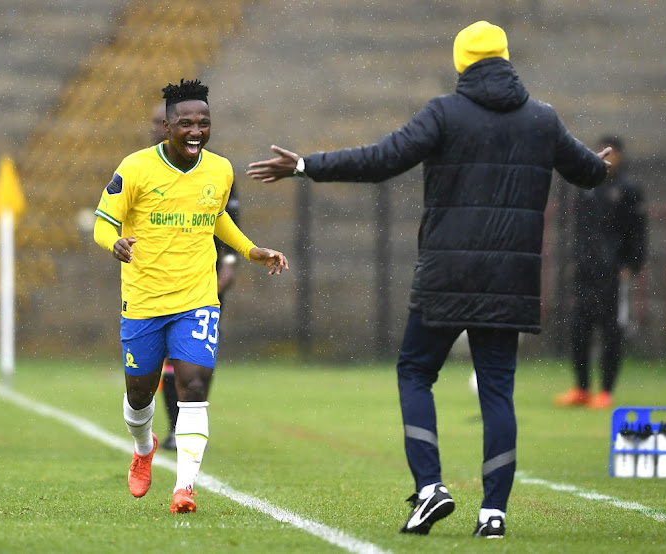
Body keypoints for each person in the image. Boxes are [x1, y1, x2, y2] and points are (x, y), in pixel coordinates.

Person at [247, 21, 610, 538]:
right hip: (509, 279)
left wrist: (307, 165)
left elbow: (381, 161)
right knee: (497, 391)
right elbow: (589, 172)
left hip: (447, 272)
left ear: (462, 62)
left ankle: (431, 487)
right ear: (506, 59)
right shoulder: (542, 120)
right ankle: (494, 513)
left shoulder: (445, 112)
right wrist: (601, 166)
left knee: (415, 371)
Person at [94, 78, 288, 514]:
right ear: (167, 127)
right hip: (143, 301)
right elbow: (103, 222)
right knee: (140, 392)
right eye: (186, 123)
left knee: (194, 385)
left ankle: (184, 488)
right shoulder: (135, 168)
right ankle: (144, 448)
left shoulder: (220, 170)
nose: (196, 131)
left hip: (196, 298)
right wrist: (114, 243)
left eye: (204, 123)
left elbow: (217, 219)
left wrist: (250, 250)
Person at [150, 101, 242, 451]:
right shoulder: (142, 168)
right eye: (159, 122)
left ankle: (184, 422)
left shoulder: (216, 170)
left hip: (205, 277)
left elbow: (228, 221)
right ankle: (172, 424)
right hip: (158, 282)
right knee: (162, 357)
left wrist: (229, 264)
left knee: (195, 354)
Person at [555, 136, 647, 410]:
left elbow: (637, 231)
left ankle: (605, 390)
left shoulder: (628, 189)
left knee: (611, 331)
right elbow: (581, 228)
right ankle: (582, 387)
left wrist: (630, 264)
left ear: (619, 156)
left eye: (612, 154)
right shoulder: (587, 185)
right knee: (579, 328)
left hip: (613, 272)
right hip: (586, 270)